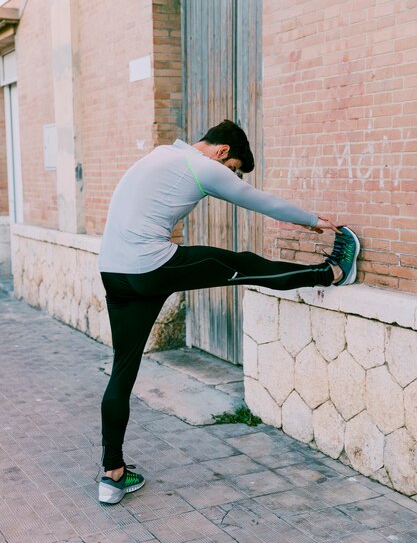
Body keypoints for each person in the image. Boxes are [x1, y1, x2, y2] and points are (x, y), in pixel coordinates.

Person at [97, 119, 360, 504]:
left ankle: (112, 476)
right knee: (244, 264)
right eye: (233, 169)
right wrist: (313, 220)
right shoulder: (202, 165)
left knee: (122, 369)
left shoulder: (160, 154)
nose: (231, 176)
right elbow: (258, 201)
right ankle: (333, 271)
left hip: (114, 271)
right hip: (150, 264)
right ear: (222, 152)